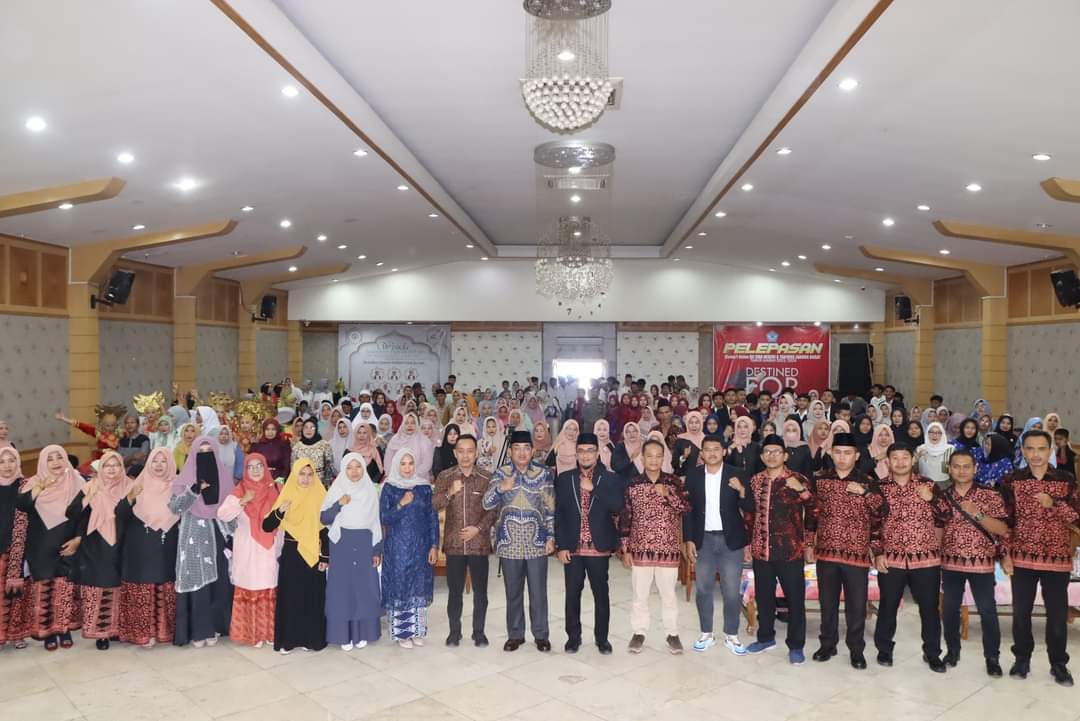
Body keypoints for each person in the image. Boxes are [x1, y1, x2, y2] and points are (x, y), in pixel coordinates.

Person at [1001, 429, 1079, 686]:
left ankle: (1059, 664)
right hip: (1022, 557)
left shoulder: (1066, 480)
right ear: (1023, 451)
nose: (1035, 454)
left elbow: (1076, 518)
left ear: (1050, 450)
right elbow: (1006, 522)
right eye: (1030, 449)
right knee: (1021, 612)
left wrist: (1053, 503)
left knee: (1057, 615)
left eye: (1041, 449)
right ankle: (1022, 658)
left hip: (1057, 559)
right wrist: (1005, 553)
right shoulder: (1012, 480)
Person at [807, 432, 883, 669]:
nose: (842, 457)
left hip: (856, 555)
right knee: (827, 603)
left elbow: (881, 513)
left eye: (847, 453)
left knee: (856, 606)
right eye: (838, 452)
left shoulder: (867, 481)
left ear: (857, 455)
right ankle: (827, 644)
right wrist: (808, 543)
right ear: (831, 453)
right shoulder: (820, 479)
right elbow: (812, 515)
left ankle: (856, 649)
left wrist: (866, 493)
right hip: (827, 552)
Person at [741, 434, 816, 665]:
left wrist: (809, 543)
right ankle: (765, 638)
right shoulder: (755, 481)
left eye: (776, 452)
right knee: (764, 598)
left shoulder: (798, 479)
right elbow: (750, 515)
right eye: (767, 452)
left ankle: (796, 645)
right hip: (761, 550)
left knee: (795, 601)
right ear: (762, 456)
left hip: (790, 551)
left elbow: (814, 511)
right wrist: (748, 543)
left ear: (785, 456)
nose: (772, 456)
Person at [873, 443, 948, 672]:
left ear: (913, 460)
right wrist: (877, 553)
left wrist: (931, 499)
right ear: (888, 461)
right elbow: (873, 524)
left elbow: (946, 514)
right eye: (895, 458)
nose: (900, 462)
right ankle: (884, 650)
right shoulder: (879, 488)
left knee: (929, 609)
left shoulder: (928, 485)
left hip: (925, 558)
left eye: (905, 457)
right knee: (888, 606)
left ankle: (932, 653)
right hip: (891, 558)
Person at [482, 430, 555, 652]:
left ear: (532, 451)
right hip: (509, 542)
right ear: (510, 452)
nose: (522, 453)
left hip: (537, 542)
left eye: (526, 448)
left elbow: (550, 508)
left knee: (538, 592)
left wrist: (551, 536)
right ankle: (515, 635)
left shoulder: (543, 473)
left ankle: (541, 635)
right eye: (517, 448)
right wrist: (500, 488)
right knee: (513, 592)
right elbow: (486, 504)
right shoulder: (500, 473)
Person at [938, 450, 1009, 677]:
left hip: (982, 563)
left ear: (975, 468)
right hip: (950, 563)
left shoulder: (990, 495)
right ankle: (952, 651)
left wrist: (978, 514)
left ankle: (992, 657)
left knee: (987, 611)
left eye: (966, 466)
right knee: (949, 610)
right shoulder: (942, 497)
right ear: (949, 469)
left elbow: (1003, 529)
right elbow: (936, 530)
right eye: (956, 466)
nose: (961, 471)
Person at [618, 438, 691, 655]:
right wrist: (625, 548)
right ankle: (639, 632)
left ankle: (672, 633)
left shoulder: (673, 482)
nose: (653, 460)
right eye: (649, 456)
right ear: (642, 458)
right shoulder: (633, 484)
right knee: (640, 595)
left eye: (658, 456)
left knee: (668, 595)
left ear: (663, 458)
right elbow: (626, 517)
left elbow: (686, 508)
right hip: (640, 549)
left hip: (668, 549)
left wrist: (668, 494)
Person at [554, 432, 624, 655]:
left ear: (597, 453)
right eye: (581, 451)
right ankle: (573, 638)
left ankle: (602, 639)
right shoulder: (565, 479)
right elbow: (559, 514)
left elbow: (618, 506)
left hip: (598, 547)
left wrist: (594, 489)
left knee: (601, 595)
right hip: (573, 547)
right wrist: (561, 546)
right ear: (576, 453)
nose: (585, 455)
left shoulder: (610, 478)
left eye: (590, 451)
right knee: (572, 594)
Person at [682, 434, 751, 656]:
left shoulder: (737, 474)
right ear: (701, 453)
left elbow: (751, 507)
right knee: (703, 589)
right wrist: (688, 539)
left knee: (731, 590)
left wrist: (741, 490)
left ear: (724, 451)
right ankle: (706, 633)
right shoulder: (693, 475)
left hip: (731, 541)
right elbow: (687, 510)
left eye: (716, 449)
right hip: (703, 540)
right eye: (707, 449)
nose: (711, 453)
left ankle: (731, 634)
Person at [15, 445, 83, 650]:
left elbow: (85, 514)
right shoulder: (34, 482)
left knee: (64, 589)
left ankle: (64, 629)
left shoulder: (77, 481)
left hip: (68, 543)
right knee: (44, 589)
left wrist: (78, 539)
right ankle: (47, 632)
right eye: (50, 459)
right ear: (43, 462)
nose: (55, 462)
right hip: (41, 545)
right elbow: (22, 504)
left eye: (59, 457)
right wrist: (40, 487)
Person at [169, 436, 235, 648]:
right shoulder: (184, 479)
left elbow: (231, 509)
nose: (205, 456)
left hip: (219, 534)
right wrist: (194, 489)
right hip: (194, 537)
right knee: (199, 584)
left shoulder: (225, 477)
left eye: (209, 452)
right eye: (201, 452)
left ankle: (216, 627)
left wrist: (232, 537)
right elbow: (175, 508)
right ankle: (199, 630)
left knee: (219, 583)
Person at [433, 434, 495, 647]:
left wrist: (478, 529)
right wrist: (450, 493)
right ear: (455, 453)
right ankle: (454, 632)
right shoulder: (445, 476)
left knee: (481, 592)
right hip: (455, 545)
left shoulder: (487, 477)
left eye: (470, 451)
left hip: (479, 544)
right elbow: (435, 504)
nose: (466, 456)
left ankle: (479, 632)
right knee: (455, 593)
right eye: (461, 451)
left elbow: (494, 509)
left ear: (476, 453)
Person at [67, 450, 132, 649]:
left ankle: (118, 629)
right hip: (96, 543)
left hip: (123, 542)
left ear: (122, 467)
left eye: (116, 465)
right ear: (101, 468)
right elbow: (72, 513)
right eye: (107, 465)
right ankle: (101, 633)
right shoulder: (90, 486)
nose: (112, 469)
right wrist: (89, 497)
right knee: (98, 587)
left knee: (120, 586)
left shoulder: (130, 486)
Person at [116, 447, 179, 648]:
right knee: (143, 584)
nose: (159, 465)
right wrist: (130, 498)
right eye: (155, 461)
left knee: (165, 582)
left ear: (170, 464)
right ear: (148, 463)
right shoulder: (137, 485)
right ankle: (143, 633)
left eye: (163, 461)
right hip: (140, 545)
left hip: (167, 543)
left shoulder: (177, 486)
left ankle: (164, 631)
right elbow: (120, 514)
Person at [217, 452, 281, 648]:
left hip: (270, 547)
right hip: (248, 547)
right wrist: (243, 500)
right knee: (251, 585)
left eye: (259, 466)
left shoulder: (276, 489)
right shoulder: (240, 490)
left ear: (265, 467)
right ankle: (252, 634)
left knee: (269, 585)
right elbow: (223, 514)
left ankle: (269, 632)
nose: (255, 470)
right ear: (245, 470)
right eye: (250, 467)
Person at [263, 459, 329, 653]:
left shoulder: (320, 495)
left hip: (314, 553)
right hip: (292, 553)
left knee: (313, 597)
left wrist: (325, 557)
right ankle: (289, 640)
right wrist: (280, 511)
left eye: (310, 475)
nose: (306, 479)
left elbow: (325, 529)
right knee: (291, 598)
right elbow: (267, 525)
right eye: (302, 474)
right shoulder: (287, 494)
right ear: (294, 475)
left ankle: (311, 640)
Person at [321, 453, 384, 651]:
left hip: (365, 543)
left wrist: (376, 551)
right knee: (342, 590)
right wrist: (339, 503)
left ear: (364, 469)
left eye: (358, 467)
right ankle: (343, 634)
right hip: (342, 544)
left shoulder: (370, 490)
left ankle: (363, 633)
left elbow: (376, 523)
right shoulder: (337, 488)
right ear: (343, 469)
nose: (354, 471)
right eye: (349, 467)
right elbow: (324, 518)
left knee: (365, 589)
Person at [379, 450, 439, 648]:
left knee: (418, 586)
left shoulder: (424, 488)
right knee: (401, 587)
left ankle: (417, 631)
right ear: (397, 465)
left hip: (421, 546)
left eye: (410, 463)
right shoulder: (389, 488)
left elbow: (432, 518)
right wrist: (401, 504)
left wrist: (434, 545)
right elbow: (384, 517)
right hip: (397, 548)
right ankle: (403, 633)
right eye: (403, 464)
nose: (407, 468)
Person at [0, 446, 30, 648]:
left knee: (16, 592)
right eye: (2, 461)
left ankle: (16, 634)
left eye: (11, 460)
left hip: (18, 548)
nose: (7, 465)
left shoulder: (25, 486)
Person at [291, 418, 336, 489]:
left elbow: (329, 466)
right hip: (303, 483)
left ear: (316, 429)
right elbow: (293, 468)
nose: (308, 430)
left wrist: (326, 485)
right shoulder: (297, 447)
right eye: (306, 427)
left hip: (321, 483)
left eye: (312, 427)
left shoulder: (324, 445)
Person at [347, 417, 385, 483]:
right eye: (359, 433)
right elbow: (346, 470)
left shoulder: (376, 450)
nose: (362, 435)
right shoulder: (349, 451)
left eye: (365, 433)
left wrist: (370, 483)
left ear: (369, 434)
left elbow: (380, 471)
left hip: (372, 484)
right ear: (355, 434)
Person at [916, 421, 953, 487]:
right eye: (931, 432)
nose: (935, 435)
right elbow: (914, 469)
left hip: (944, 484)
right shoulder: (921, 448)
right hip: (925, 484)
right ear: (927, 434)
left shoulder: (950, 449)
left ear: (942, 434)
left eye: (938, 433)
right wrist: (918, 456)